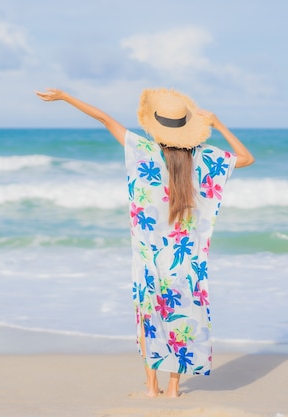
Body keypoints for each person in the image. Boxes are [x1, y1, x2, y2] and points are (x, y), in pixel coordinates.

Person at [36, 87, 254, 398]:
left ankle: (152, 387)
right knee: (180, 320)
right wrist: (218, 124)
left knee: (149, 319)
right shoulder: (205, 159)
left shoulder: (143, 150)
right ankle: (174, 388)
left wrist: (66, 98)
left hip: (150, 258)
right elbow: (247, 158)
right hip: (186, 261)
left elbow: (103, 118)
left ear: (155, 125)